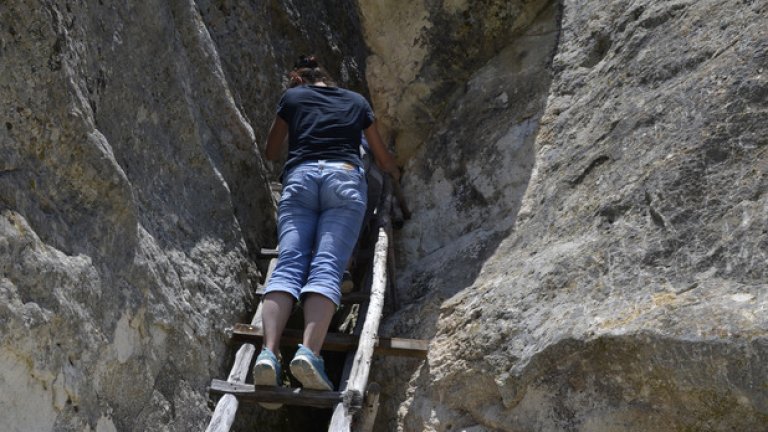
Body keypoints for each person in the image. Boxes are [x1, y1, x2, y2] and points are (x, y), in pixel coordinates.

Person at [253, 55, 399, 398]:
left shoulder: (292, 98)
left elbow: (272, 151)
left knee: (288, 266)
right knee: (328, 266)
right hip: (344, 178)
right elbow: (380, 157)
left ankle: (268, 354)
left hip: (300, 179)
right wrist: (395, 172)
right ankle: (309, 354)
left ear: (298, 80)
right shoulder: (356, 102)